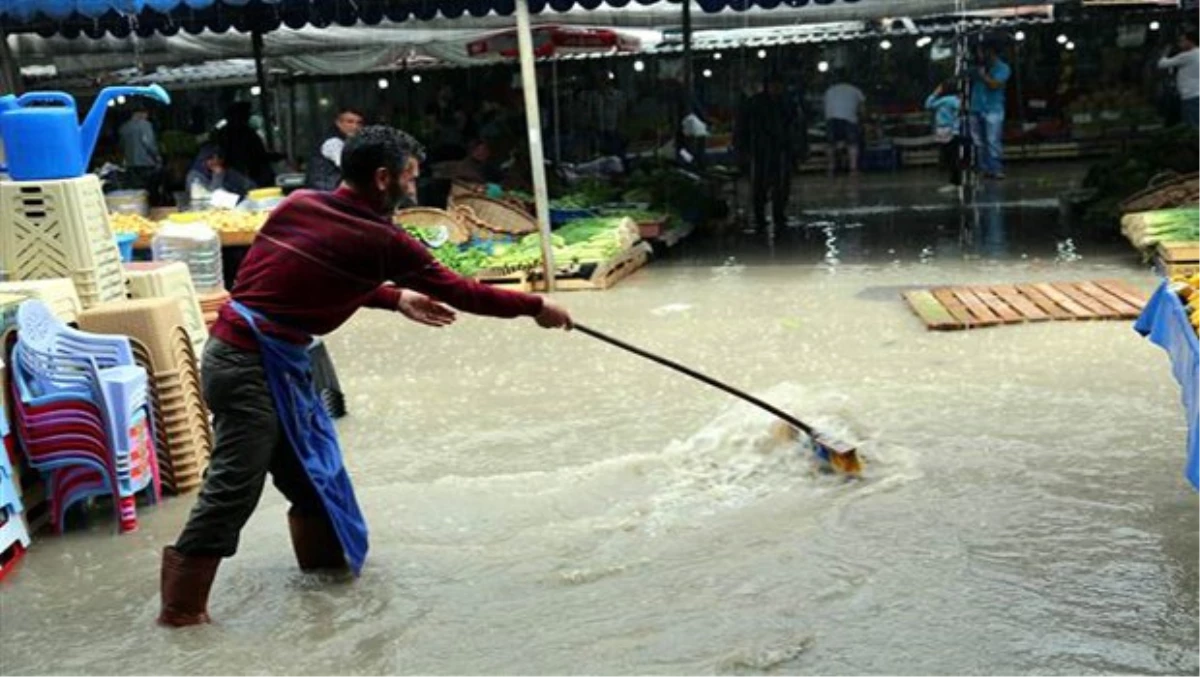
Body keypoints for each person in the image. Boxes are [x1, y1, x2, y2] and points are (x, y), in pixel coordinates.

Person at [156, 126, 573, 627]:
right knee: (232, 490)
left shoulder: (299, 204)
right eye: (410, 178)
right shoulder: (383, 240)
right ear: (383, 178)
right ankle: (180, 618)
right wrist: (536, 306)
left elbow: (306, 273)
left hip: (249, 356)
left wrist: (393, 297)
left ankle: (329, 594)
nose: (415, 189)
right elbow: (464, 293)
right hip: (250, 366)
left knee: (312, 480)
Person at [736, 72, 799, 231]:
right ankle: (760, 217)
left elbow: (796, 128)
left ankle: (778, 214)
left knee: (781, 186)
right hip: (760, 151)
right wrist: (742, 149)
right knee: (760, 186)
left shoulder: (787, 104)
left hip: (781, 151)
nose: (776, 88)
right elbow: (742, 127)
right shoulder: (754, 104)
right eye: (773, 85)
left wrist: (796, 149)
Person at [970, 42, 1011, 180]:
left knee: (992, 139)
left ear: (992, 52)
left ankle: (995, 167)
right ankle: (983, 168)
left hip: (993, 108)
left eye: (984, 52)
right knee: (978, 141)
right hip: (976, 107)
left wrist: (983, 76)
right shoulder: (976, 68)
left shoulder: (1002, 68)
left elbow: (994, 84)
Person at [214, 101, 275, 188]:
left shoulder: (248, 132)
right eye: (245, 114)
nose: (248, 116)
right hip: (239, 176)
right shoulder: (229, 134)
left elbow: (260, 154)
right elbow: (257, 155)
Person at [305, 107, 365, 191]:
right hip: (326, 195)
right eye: (350, 122)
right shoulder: (333, 142)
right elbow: (349, 166)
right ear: (338, 123)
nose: (355, 126)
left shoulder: (350, 142)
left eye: (359, 123)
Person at [823, 77, 866, 176]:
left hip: (831, 118)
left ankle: (831, 168)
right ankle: (853, 169)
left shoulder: (830, 90)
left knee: (831, 144)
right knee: (852, 144)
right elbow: (862, 108)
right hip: (849, 118)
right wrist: (863, 120)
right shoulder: (855, 90)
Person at [925, 80, 963, 191]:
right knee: (952, 156)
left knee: (950, 156)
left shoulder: (945, 100)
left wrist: (934, 93)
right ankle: (956, 180)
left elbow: (928, 104)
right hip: (950, 130)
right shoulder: (955, 100)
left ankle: (955, 182)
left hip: (946, 130)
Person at [1157, 29, 1200, 128]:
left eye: (1182, 41)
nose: (1180, 44)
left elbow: (1162, 64)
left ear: (1190, 41)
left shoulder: (1188, 55)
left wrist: (1165, 52)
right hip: (1197, 93)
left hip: (1191, 95)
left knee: (1194, 126)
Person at [118, 105, 162, 197]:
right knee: (150, 191)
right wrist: (157, 157)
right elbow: (148, 143)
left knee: (136, 192)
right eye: (146, 114)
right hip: (146, 163)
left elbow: (121, 146)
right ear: (141, 113)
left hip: (130, 165)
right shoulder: (145, 125)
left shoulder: (124, 127)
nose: (147, 116)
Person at [185, 144, 256, 199]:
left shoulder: (228, 171)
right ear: (202, 160)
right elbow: (211, 199)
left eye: (219, 157)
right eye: (210, 158)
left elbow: (251, 186)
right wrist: (218, 175)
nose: (216, 161)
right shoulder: (195, 177)